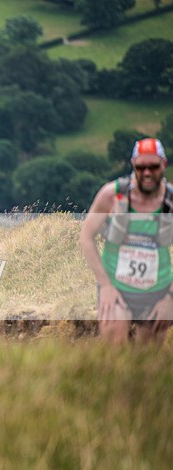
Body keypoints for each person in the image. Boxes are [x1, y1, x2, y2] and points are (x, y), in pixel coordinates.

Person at [80, 137, 173, 344]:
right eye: (141, 167)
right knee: (114, 344)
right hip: (116, 285)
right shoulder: (111, 195)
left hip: (157, 291)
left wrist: (170, 298)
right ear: (133, 165)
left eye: (153, 166)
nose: (147, 173)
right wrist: (105, 285)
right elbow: (86, 236)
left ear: (164, 165)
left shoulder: (170, 200)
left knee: (147, 363)